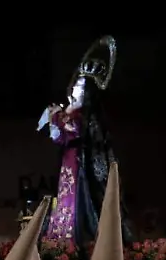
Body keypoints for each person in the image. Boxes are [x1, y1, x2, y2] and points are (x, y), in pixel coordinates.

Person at [38, 36, 134, 247]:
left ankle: (81, 239)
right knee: (64, 198)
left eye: (79, 88)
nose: (74, 91)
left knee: (79, 200)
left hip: (81, 166)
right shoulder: (72, 115)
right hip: (68, 163)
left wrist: (56, 117)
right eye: (74, 87)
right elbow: (60, 137)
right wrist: (55, 120)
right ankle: (62, 240)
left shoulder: (86, 117)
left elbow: (74, 131)